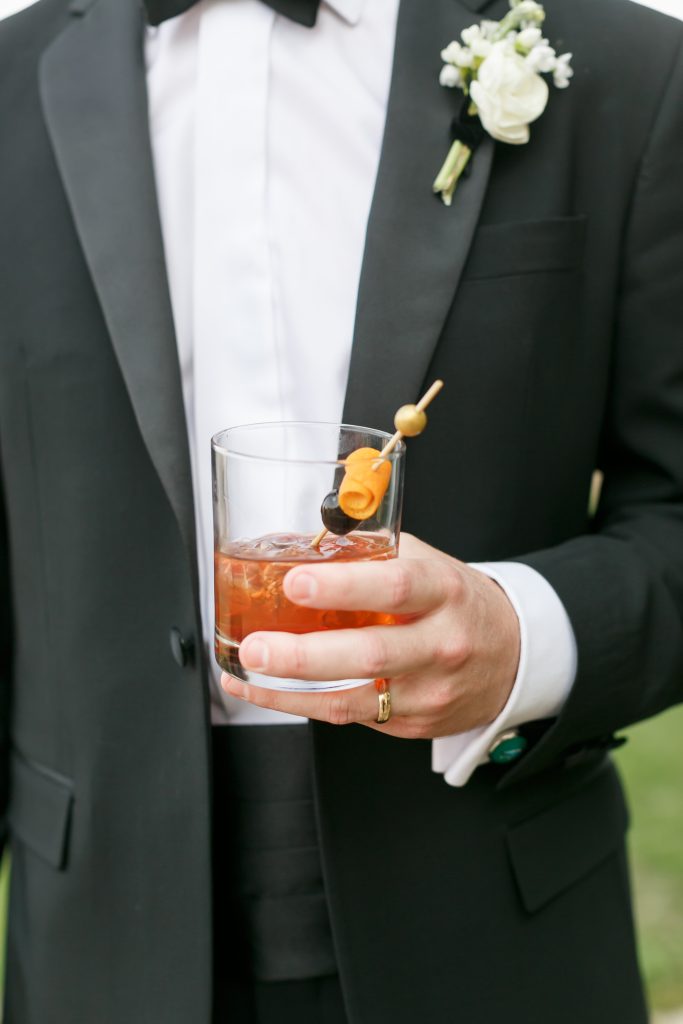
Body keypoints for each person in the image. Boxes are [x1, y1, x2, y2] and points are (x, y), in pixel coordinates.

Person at [1, 0, 682, 1020]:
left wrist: (521, 634)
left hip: (495, 943)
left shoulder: (632, 67)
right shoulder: (13, 82)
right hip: (99, 949)